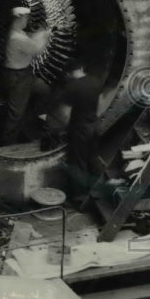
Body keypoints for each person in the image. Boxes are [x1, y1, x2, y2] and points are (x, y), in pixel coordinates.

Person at [49, 58, 104, 196]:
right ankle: (99, 190)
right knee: (93, 158)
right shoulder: (95, 81)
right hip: (95, 125)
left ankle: (80, 197)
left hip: (80, 129)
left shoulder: (72, 87)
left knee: (78, 164)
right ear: (81, 68)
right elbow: (101, 102)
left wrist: (61, 130)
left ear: (68, 73)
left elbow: (65, 114)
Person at [1, 6, 51, 144]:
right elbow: (36, 49)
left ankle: (29, 121)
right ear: (18, 19)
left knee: (44, 90)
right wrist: (45, 36)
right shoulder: (16, 37)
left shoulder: (17, 32)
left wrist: (40, 33)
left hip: (24, 74)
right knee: (15, 114)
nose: (27, 21)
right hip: (18, 78)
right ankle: (8, 145)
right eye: (25, 18)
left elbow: (29, 37)